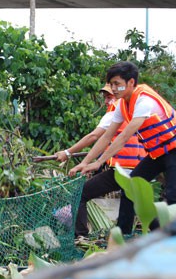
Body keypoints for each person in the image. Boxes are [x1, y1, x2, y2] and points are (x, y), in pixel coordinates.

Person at [73, 61, 176, 234]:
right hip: (158, 152)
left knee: (174, 195)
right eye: (111, 84)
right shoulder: (123, 104)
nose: (113, 89)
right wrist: (87, 163)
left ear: (130, 82)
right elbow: (107, 136)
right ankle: (123, 235)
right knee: (131, 187)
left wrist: (98, 163)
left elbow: (122, 138)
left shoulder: (144, 101)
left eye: (117, 84)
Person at [55, 84, 146, 237]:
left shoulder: (115, 112)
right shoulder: (131, 110)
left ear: (118, 94)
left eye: (109, 96)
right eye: (104, 97)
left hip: (123, 170)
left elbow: (94, 136)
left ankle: (81, 236)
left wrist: (67, 152)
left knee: (80, 194)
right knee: (133, 205)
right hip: (136, 168)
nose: (106, 101)